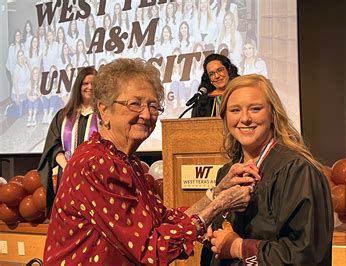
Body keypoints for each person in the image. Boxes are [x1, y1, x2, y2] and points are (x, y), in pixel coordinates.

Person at [43, 58, 254, 265]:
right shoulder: (95, 162)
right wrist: (218, 206)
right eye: (134, 104)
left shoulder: (125, 162)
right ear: (104, 109)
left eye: (153, 106)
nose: (146, 114)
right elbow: (152, 248)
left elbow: (163, 220)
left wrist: (217, 192)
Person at [201, 74, 334, 265]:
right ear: (224, 117)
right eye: (235, 110)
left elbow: (306, 253)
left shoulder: (297, 170)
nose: (245, 118)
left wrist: (240, 248)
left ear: (273, 114)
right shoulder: (226, 173)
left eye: (255, 109)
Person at [38, 67, 98, 215]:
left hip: (94, 176)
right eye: (85, 83)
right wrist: (68, 166)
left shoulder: (104, 115)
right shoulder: (64, 115)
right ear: (78, 86)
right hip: (67, 175)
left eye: (93, 84)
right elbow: (53, 145)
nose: (89, 87)